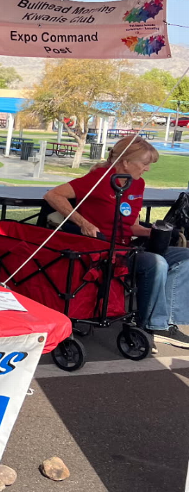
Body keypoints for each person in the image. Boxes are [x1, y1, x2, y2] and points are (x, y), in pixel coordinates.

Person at [44, 135, 189, 348]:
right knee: (156, 263)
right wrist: (83, 223)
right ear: (125, 161)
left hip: (127, 247)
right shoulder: (98, 179)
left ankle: (167, 319)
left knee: (184, 257)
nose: (147, 168)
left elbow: (131, 225)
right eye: (145, 163)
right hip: (103, 250)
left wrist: (154, 232)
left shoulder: (137, 184)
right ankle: (153, 325)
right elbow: (53, 195)